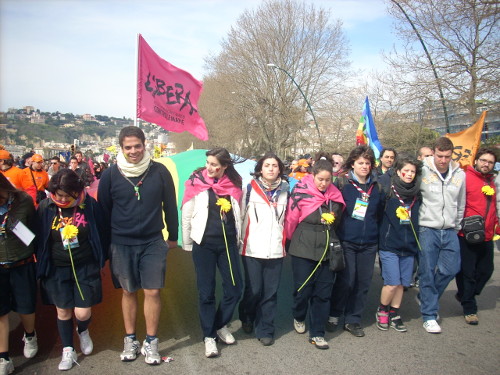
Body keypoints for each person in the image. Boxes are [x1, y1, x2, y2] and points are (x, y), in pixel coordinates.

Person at [98, 126, 178, 365]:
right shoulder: (110, 174)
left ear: (145, 145)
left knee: (153, 291)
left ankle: (151, 341)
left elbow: (170, 206)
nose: (133, 151)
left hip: (153, 241)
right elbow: (103, 213)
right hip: (121, 243)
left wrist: (172, 236)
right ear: (121, 148)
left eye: (137, 146)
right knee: (128, 291)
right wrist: (104, 250)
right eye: (128, 147)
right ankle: (130, 338)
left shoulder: (160, 171)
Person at [36, 169, 105, 371]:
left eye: (68, 195)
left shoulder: (89, 205)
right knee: (63, 310)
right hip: (57, 268)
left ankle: (82, 330)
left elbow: (101, 230)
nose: (63, 199)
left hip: (84, 265)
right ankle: (68, 349)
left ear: (77, 191)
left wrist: (102, 256)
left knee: (82, 312)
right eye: (59, 195)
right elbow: (38, 235)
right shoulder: (46, 207)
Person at [181, 147, 243, 358]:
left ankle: (220, 324)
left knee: (235, 289)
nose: (210, 168)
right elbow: (187, 214)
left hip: (228, 244)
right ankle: (209, 336)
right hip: (204, 244)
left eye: (215, 164)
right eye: (208, 163)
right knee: (206, 292)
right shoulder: (196, 183)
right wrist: (188, 242)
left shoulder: (233, 185)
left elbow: (239, 214)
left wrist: (239, 240)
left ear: (225, 166)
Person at [286, 158, 344, 349]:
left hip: (326, 246)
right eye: (320, 179)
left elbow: (338, 221)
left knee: (323, 293)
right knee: (302, 290)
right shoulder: (301, 192)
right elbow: (291, 219)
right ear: (313, 176)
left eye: (328, 180)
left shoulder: (335, 195)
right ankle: (299, 315)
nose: (324, 184)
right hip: (303, 244)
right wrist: (287, 241)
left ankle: (317, 332)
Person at [328, 145, 386, 337]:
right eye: (360, 163)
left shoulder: (377, 187)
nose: (364, 166)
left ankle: (353, 319)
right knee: (347, 280)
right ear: (352, 163)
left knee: (363, 283)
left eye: (367, 163)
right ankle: (335, 312)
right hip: (347, 240)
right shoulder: (343, 185)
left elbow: (379, 214)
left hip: (369, 243)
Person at [238, 153, 289, 346]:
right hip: (252, 248)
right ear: (260, 168)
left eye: (275, 166)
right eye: (267, 165)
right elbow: (240, 217)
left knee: (270, 292)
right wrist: (239, 242)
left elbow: (288, 220)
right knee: (254, 289)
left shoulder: (285, 190)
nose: (271, 169)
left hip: (276, 250)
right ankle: (247, 315)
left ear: (279, 170)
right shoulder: (249, 190)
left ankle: (266, 328)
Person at [418, 137, 465, 333]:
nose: (443, 160)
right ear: (434, 153)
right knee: (427, 272)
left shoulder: (459, 174)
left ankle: (426, 297)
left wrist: (457, 224)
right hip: (427, 227)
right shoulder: (422, 170)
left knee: (451, 269)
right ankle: (429, 315)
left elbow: (461, 201)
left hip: (450, 228)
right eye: (439, 156)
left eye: (447, 156)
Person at [376, 156, 421, 332]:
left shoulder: (418, 194)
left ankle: (395, 312)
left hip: (409, 245)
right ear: (398, 172)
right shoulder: (387, 191)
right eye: (406, 171)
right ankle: (382, 310)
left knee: (403, 283)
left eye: (412, 172)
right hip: (390, 244)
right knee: (392, 282)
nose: (409, 174)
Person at [455, 148, 498, 325]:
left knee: (486, 271)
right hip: (467, 233)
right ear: (476, 160)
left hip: (487, 235)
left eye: (490, 162)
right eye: (483, 160)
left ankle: (465, 294)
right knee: (468, 273)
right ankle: (469, 307)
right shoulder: (465, 178)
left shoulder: (493, 181)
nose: (486, 164)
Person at [0, 174, 38, 375]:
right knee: (1, 311)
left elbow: (33, 230)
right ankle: (3, 357)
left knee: (26, 305)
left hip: (21, 261)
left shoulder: (23, 200)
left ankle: (30, 335)